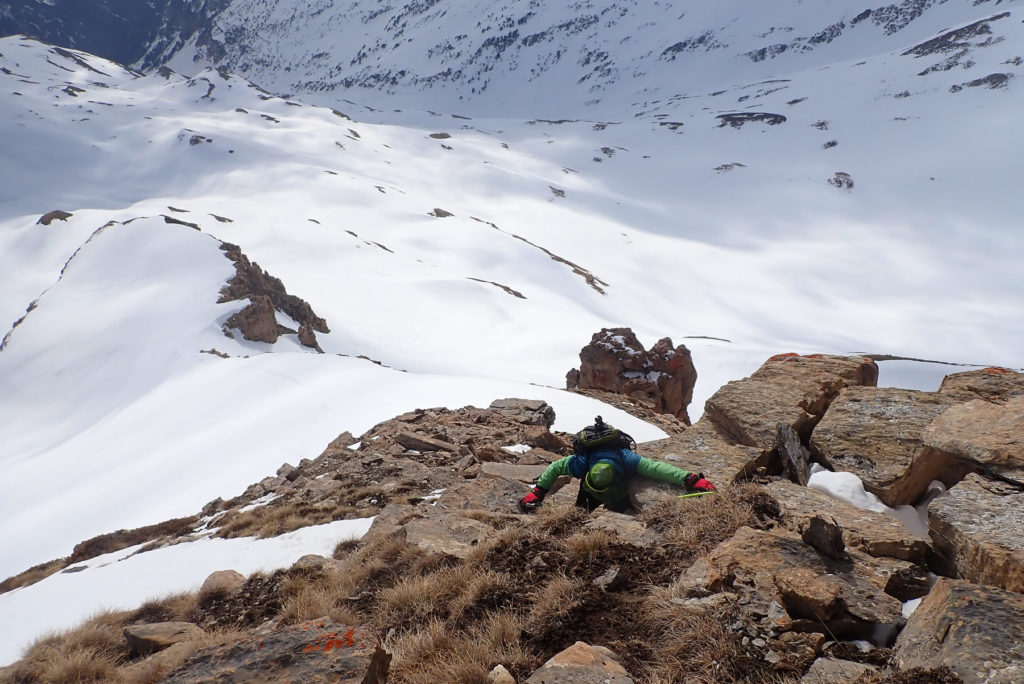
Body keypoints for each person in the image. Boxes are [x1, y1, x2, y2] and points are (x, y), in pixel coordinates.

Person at [517, 418, 717, 513]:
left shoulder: (623, 458)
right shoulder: (584, 461)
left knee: (581, 514)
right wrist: (692, 480)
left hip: (599, 492)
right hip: (611, 490)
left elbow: (657, 469)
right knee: (589, 514)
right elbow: (657, 469)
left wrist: (539, 492)